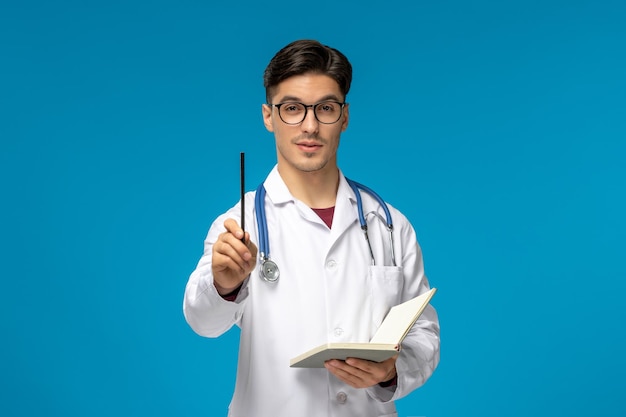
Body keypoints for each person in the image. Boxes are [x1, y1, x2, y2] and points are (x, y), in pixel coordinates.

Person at [183, 39, 440, 417]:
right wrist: (224, 284)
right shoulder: (241, 223)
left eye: (325, 108)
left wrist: (391, 371)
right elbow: (203, 322)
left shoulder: (388, 224)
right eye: (292, 109)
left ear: (345, 116)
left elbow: (424, 335)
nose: (310, 125)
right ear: (268, 116)